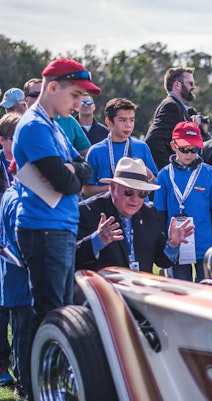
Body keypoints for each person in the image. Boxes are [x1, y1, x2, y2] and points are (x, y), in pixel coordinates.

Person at [12, 57, 98, 399]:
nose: (79, 103)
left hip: (56, 229)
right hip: (44, 229)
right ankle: (36, 389)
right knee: (48, 314)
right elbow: (66, 181)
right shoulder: (34, 126)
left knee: (58, 312)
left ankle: (48, 385)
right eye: (75, 94)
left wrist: (72, 171)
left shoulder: (53, 124)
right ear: (52, 88)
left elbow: (84, 169)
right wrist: (71, 172)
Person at [76, 157, 193, 274]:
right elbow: (71, 258)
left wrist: (172, 244)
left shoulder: (149, 213)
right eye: (128, 192)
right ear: (112, 188)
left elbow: (162, 261)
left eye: (142, 193)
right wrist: (97, 240)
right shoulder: (87, 211)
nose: (135, 199)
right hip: (104, 289)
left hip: (139, 289)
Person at [153, 122, 212, 282]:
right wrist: (164, 247)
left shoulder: (209, 172)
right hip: (177, 246)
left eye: (194, 149)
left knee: (208, 292)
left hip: (205, 246)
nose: (190, 154)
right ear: (173, 146)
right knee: (181, 294)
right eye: (184, 149)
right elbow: (159, 214)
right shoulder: (164, 175)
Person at [84, 98, 158, 198]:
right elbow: (86, 190)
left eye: (131, 120)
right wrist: (116, 188)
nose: (128, 125)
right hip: (107, 208)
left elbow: (156, 183)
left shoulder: (142, 147)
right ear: (109, 122)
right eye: (122, 120)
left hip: (138, 208)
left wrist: (149, 174)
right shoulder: (95, 151)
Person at [0, 184, 32, 398]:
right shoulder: (16, 200)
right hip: (23, 283)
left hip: (27, 283)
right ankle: (24, 386)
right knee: (24, 336)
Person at [145, 66, 199, 170]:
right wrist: (170, 171)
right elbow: (153, 140)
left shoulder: (176, 106)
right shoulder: (171, 106)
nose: (194, 87)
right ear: (177, 85)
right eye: (190, 83)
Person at [0, 113, 20, 389]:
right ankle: (2, 365)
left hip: (20, 243)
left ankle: (20, 362)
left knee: (20, 307)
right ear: (3, 140)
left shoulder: (31, 162)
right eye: (16, 138)